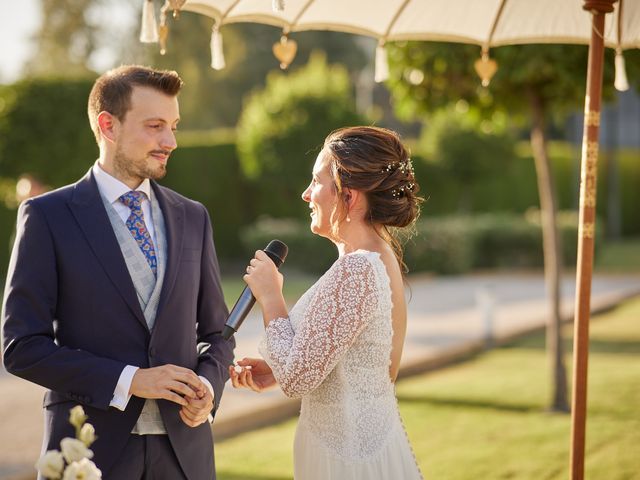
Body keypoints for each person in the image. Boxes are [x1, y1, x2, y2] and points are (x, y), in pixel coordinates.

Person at [1, 65, 234, 480]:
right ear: (108, 125)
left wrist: (208, 388)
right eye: (155, 126)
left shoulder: (193, 217)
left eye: (174, 126)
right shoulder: (47, 217)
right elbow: (21, 347)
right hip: (90, 450)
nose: (171, 141)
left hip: (185, 455)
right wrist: (131, 380)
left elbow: (217, 335)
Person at [230, 126, 424, 479]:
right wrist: (276, 366)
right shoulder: (376, 258)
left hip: (347, 460)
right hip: (359, 446)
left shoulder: (357, 269)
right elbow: (353, 362)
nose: (306, 195)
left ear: (349, 196)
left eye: (316, 182)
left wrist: (271, 296)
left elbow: (297, 380)